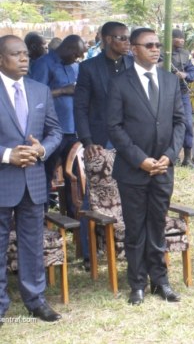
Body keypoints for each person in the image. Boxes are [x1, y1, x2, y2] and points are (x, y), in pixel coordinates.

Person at [107, 28, 186, 305]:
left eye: (157, 45)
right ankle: (137, 283)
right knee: (135, 228)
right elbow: (114, 127)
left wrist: (170, 154)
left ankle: (160, 281)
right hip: (133, 169)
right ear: (133, 49)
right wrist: (139, 159)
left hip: (164, 167)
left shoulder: (170, 81)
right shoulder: (119, 83)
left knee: (157, 224)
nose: (156, 49)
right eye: (149, 45)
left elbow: (180, 121)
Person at [0, 35, 62, 322]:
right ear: (1, 59)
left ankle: (35, 300)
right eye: (16, 54)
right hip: (3, 178)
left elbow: (55, 132)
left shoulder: (40, 91)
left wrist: (42, 149)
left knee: (31, 243)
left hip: (34, 182)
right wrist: (7, 155)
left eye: (26, 54)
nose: (24, 59)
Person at [74, 21, 134, 270]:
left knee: (130, 191)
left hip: (130, 138)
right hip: (100, 139)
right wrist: (87, 141)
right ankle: (89, 254)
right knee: (95, 196)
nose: (127, 42)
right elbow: (80, 106)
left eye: (128, 38)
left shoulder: (133, 64)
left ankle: (128, 246)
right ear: (108, 39)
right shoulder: (89, 68)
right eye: (122, 38)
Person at [30, 34, 85, 216]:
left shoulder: (74, 66)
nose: (77, 59)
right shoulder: (44, 64)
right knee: (46, 174)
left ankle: (73, 216)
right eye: (76, 54)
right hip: (52, 130)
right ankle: (42, 216)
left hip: (74, 129)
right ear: (68, 49)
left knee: (74, 175)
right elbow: (35, 95)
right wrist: (62, 91)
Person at [169, 29, 194, 166]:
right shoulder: (162, 53)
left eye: (182, 38)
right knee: (168, 125)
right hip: (166, 94)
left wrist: (185, 75)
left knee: (187, 124)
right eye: (177, 38)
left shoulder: (186, 54)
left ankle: (187, 157)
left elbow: (193, 73)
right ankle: (171, 155)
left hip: (183, 93)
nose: (181, 40)